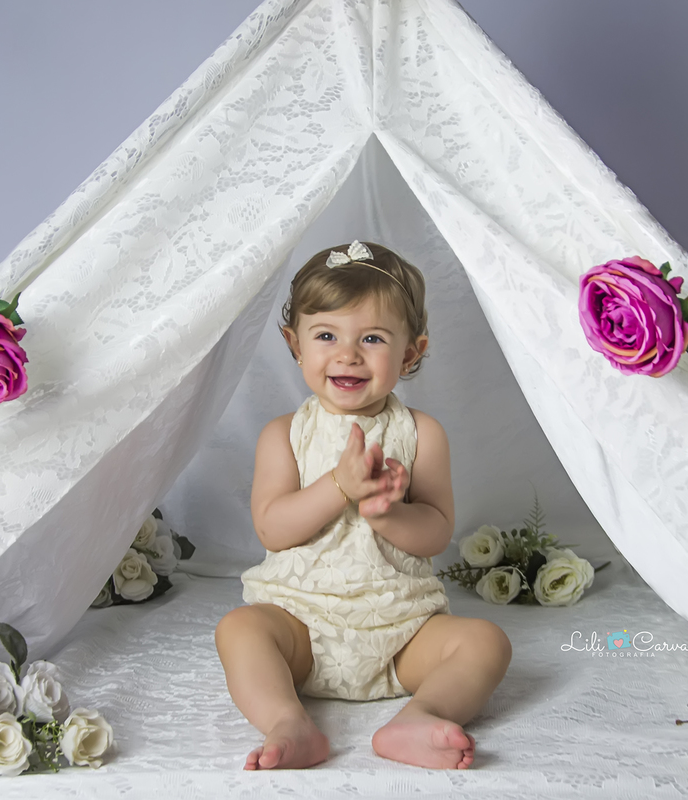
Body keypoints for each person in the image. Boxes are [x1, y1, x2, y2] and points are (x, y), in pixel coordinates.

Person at [214, 240, 512, 771]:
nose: (347, 354)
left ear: (411, 352)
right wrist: (339, 485)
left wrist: (385, 512)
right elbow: (272, 529)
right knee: (239, 629)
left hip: (402, 630)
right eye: (326, 335)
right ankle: (287, 720)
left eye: (372, 338)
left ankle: (420, 716)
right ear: (295, 343)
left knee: (487, 642)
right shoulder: (283, 434)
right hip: (300, 626)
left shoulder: (422, 434)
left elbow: (436, 531)